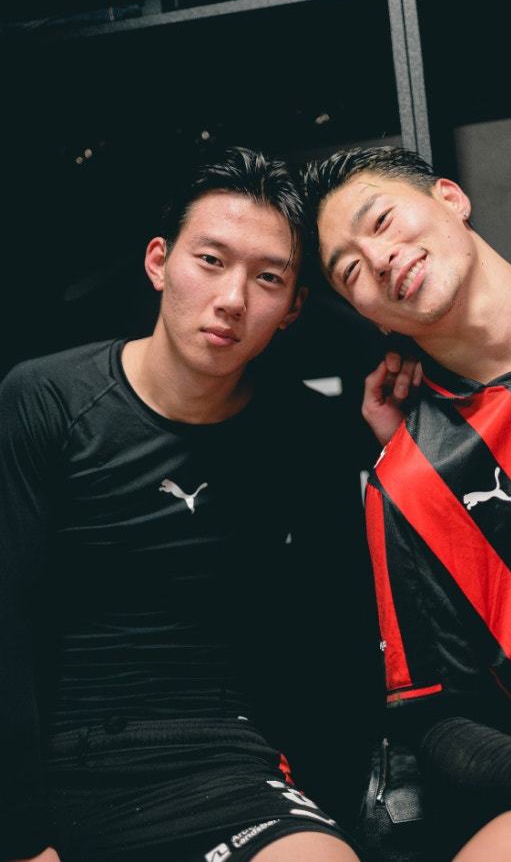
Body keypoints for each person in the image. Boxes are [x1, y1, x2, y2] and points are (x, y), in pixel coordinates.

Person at [0, 147, 382, 862]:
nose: (233, 298)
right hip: (59, 763)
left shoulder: (305, 431)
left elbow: (339, 637)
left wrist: (331, 810)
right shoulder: (46, 398)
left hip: (225, 760)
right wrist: (21, 834)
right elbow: (7, 622)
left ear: (293, 307)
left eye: (268, 278)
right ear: (158, 262)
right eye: (210, 260)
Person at [306, 145, 511, 862]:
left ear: (451, 199)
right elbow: (435, 720)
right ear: (366, 313)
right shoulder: (407, 481)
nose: (379, 260)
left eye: (381, 221)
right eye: (350, 271)